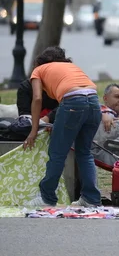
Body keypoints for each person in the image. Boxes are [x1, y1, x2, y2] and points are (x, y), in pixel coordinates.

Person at [23, 46, 101, 208]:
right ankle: (91, 199)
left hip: (73, 103)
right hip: (94, 103)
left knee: (57, 153)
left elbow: (37, 99)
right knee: (85, 152)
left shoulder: (38, 70)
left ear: (40, 62)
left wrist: (33, 130)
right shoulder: (71, 67)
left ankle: (47, 197)